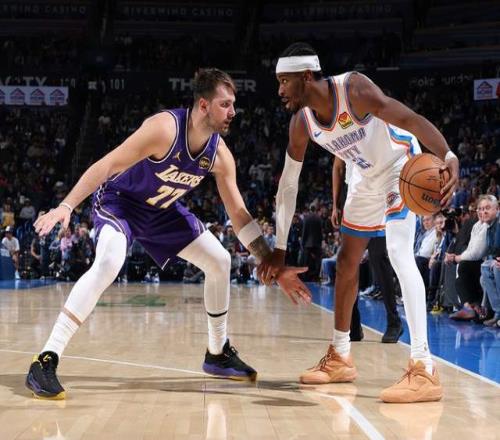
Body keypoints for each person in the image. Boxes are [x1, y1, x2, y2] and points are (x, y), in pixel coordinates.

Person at [26, 68, 311, 400]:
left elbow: (238, 214)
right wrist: (66, 206)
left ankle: (217, 353)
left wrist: (272, 263)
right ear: (203, 105)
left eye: (233, 104)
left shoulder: (219, 154)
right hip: (121, 202)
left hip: (161, 211)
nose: (233, 111)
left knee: (220, 261)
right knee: (109, 262)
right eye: (225, 104)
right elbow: (107, 164)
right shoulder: (164, 129)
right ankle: (45, 359)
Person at [259, 42, 459, 403]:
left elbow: (410, 119)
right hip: (365, 177)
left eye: (284, 81)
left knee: (398, 251)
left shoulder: (353, 89)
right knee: (347, 261)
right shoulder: (301, 123)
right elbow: (287, 186)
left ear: (307, 76)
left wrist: (447, 154)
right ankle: (340, 356)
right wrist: (280, 248)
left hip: (401, 166)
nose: (280, 90)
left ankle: (424, 367)